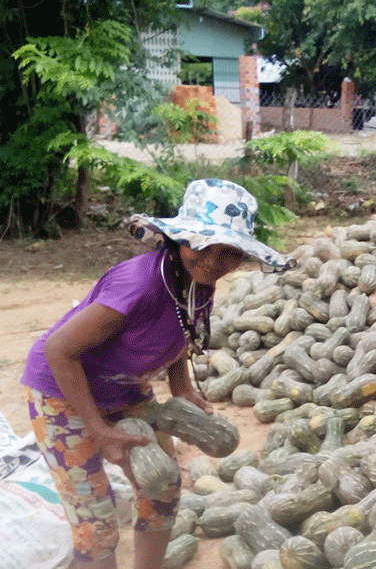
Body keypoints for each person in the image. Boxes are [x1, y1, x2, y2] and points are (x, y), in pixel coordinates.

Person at [19, 178, 296, 569]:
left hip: (125, 389)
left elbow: (180, 330)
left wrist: (181, 387)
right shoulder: (138, 285)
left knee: (162, 487)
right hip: (61, 393)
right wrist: (99, 430)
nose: (214, 261)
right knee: (95, 523)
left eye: (230, 253)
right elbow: (59, 351)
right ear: (180, 238)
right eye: (203, 245)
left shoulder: (197, 281)